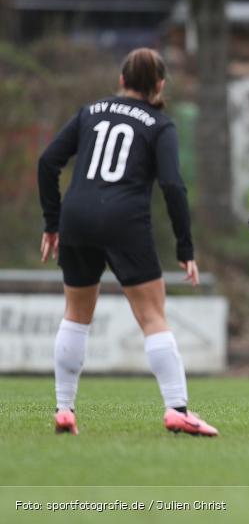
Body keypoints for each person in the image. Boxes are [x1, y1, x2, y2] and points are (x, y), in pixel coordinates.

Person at [37, 47, 218, 436]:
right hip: (124, 221)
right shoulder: (160, 125)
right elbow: (172, 185)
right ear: (160, 85)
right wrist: (185, 247)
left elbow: (48, 161)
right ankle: (177, 409)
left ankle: (64, 409)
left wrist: (52, 222)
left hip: (76, 218)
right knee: (152, 316)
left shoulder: (90, 112)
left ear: (121, 80)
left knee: (75, 315)